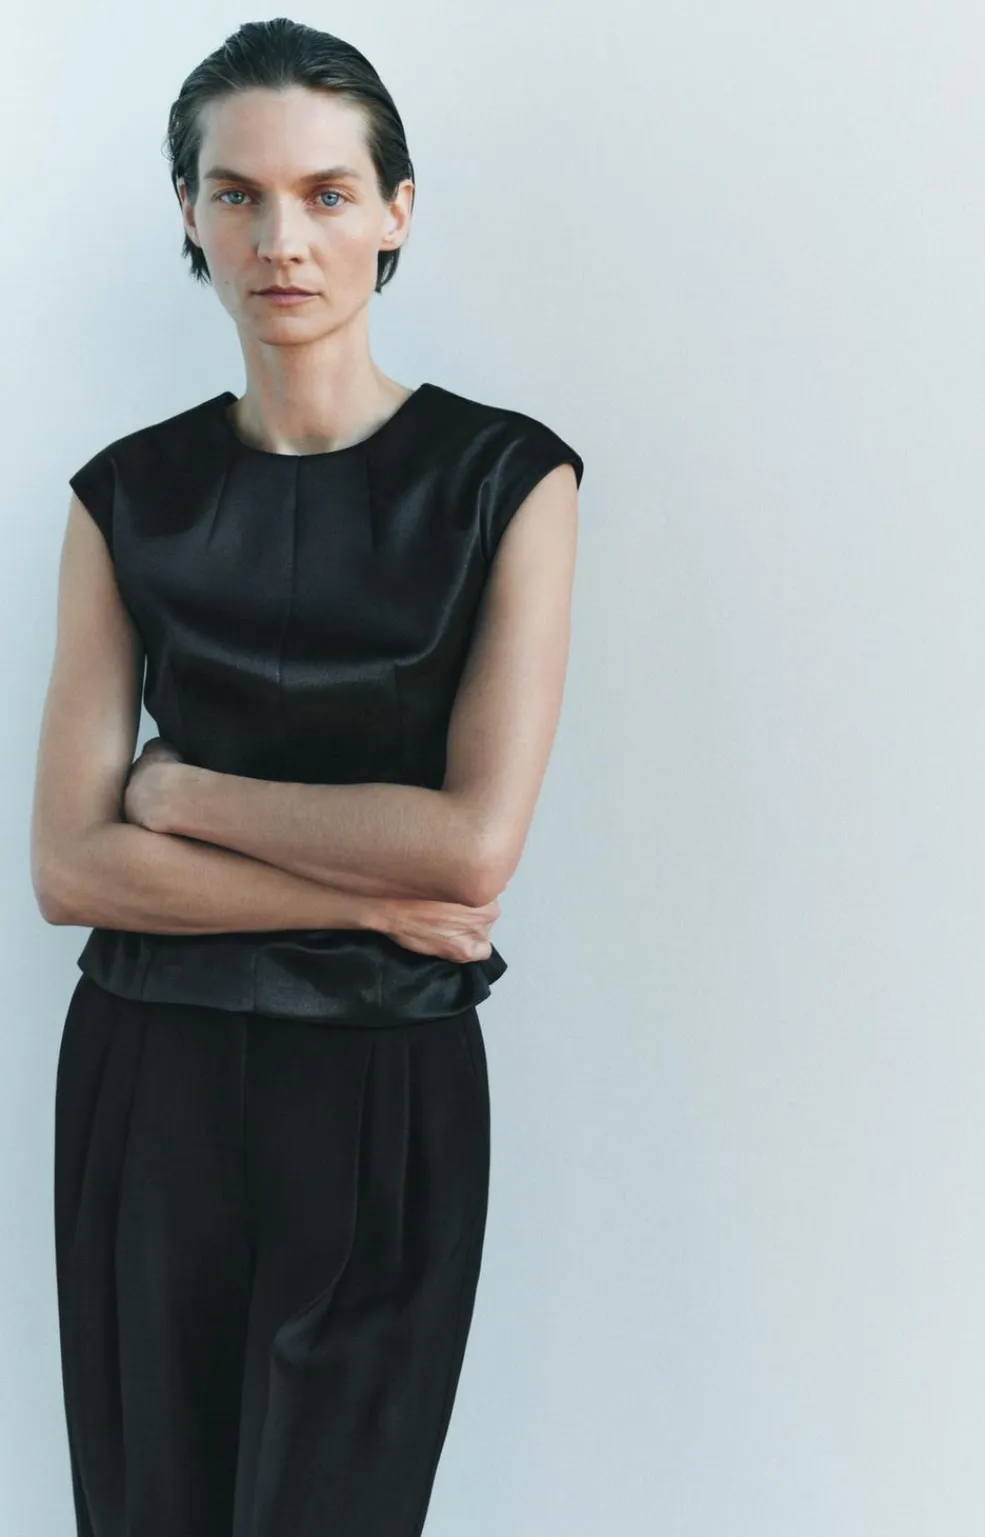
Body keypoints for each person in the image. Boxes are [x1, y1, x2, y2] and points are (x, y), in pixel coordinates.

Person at [31, 17, 583, 1537]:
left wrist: (183, 797)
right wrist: (372, 896)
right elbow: (70, 870)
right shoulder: (125, 496)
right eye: (240, 194)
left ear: (396, 210)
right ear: (191, 214)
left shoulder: (507, 482)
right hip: (149, 1080)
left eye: (328, 193)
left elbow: (467, 852)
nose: (282, 238)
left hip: (382, 1087)